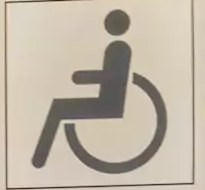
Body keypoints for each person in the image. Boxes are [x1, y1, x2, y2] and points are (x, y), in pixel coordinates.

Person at [32, 9, 133, 168]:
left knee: (59, 109)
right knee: (58, 108)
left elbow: (112, 78)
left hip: (108, 105)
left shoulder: (118, 49)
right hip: (106, 100)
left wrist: (81, 77)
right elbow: (110, 77)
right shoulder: (117, 48)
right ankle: (39, 159)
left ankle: (39, 158)